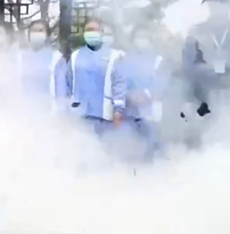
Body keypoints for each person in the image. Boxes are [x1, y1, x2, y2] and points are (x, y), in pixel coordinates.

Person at [181, 0, 230, 146]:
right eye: (213, 4)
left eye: (220, 4)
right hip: (205, 93)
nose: (216, 8)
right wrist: (208, 69)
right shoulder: (197, 31)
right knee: (205, 138)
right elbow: (188, 65)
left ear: (228, 6)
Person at [66, 19, 128, 140]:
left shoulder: (114, 56)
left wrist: (118, 110)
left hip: (104, 116)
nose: (92, 33)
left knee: (102, 149)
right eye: (88, 30)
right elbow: (68, 83)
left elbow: (119, 84)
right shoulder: (75, 56)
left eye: (95, 30)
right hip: (79, 116)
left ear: (101, 33)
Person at [124, 25, 168, 158]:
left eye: (145, 37)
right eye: (138, 37)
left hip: (152, 111)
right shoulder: (125, 60)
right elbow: (120, 82)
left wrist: (146, 95)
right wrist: (130, 95)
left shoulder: (159, 60)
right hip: (130, 111)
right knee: (132, 147)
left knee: (153, 144)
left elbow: (162, 82)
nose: (141, 40)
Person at [15, 20, 69, 113]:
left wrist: (61, 110)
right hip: (22, 112)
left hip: (48, 112)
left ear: (47, 35)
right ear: (29, 35)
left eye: (40, 30)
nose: (37, 33)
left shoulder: (56, 58)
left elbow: (61, 89)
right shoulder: (19, 57)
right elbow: (13, 84)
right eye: (34, 30)